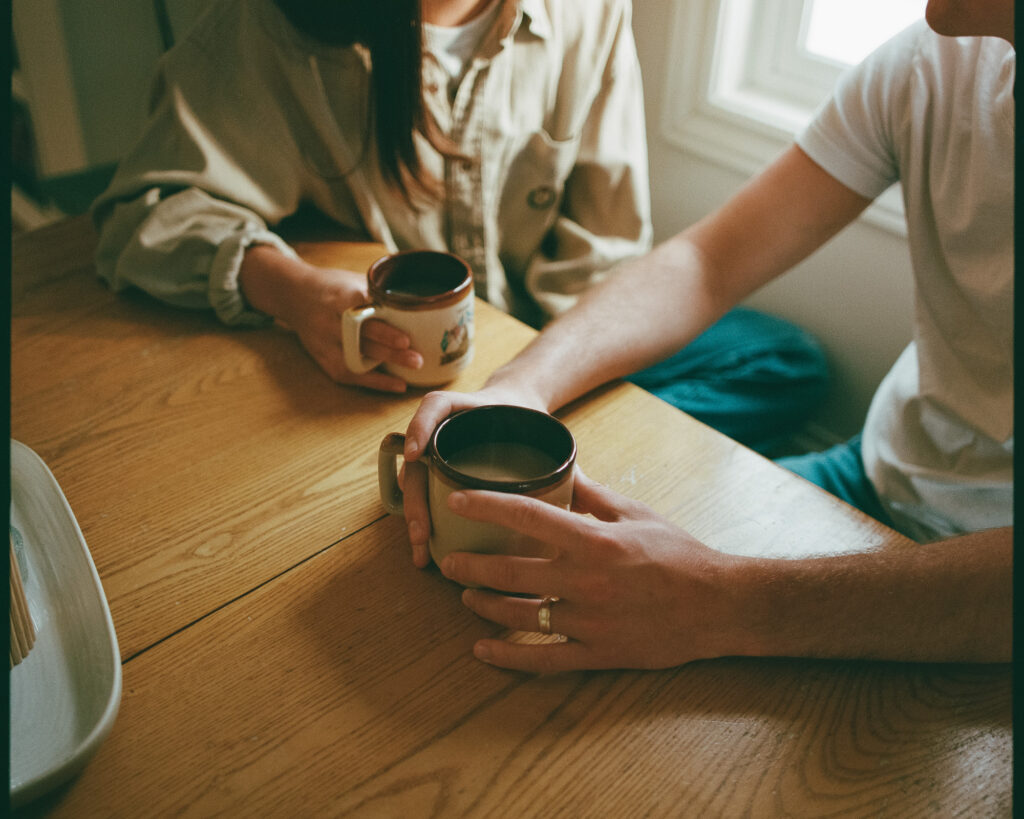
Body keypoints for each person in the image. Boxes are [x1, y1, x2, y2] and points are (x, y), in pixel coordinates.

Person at [398, 0, 1014, 672]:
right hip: (875, 472)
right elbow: (708, 262)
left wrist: (720, 601)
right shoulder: (938, 59)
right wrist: (520, 386)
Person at [91, 0, 828, 450]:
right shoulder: (278, 26)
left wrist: (543, 383)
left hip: (546, 345)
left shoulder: (588, 10)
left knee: (785, 359)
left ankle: (516, 459)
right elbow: (141, 214)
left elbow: (602, 246)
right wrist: (287, 289)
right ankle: (502, 462)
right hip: (390, 370)